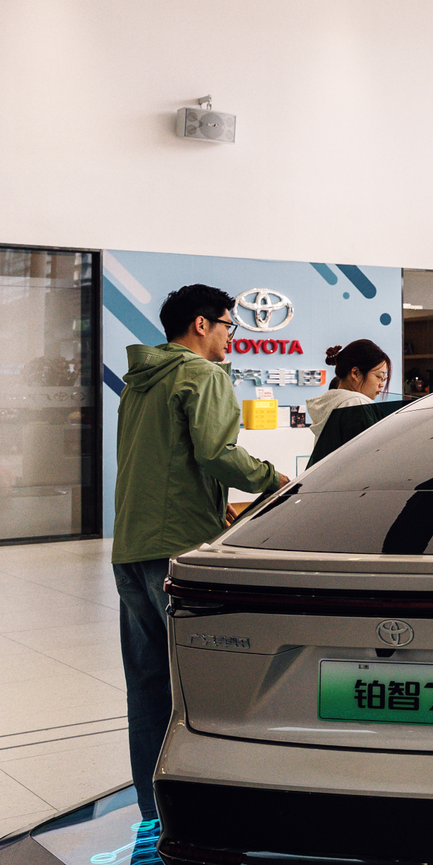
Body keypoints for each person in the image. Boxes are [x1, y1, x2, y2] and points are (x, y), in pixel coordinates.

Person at [112, 284, 287, 822]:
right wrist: (273, 480)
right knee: (203, 686)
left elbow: (163, 460)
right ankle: (204, 809)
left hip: (131, 546)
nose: (232, 336)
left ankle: (153, 809)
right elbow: (216, 453)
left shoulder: (139, 382)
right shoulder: (203, 375)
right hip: (180, 551)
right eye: (229, 324)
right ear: (202, 324)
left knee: (147, 689)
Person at [306, 339, 395, 466]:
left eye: (384, 379)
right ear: (355, 373)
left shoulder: (332, 403)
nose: (381, 384)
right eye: (379, 377)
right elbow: (372, 462)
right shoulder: (356, 404)